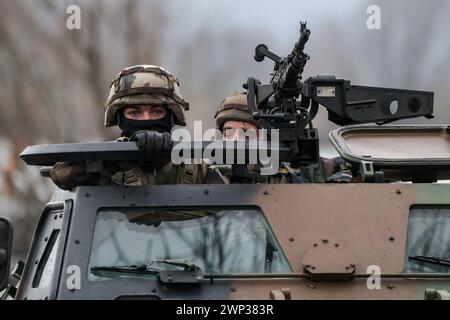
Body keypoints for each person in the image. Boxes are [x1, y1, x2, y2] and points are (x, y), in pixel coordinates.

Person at [50, 65, 222, 189]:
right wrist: (117, 161)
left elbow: (233, 205)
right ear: (120, 118)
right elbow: (61, 175)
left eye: (156, 112)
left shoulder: (196, 166)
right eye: (134, 113)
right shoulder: (106, 161)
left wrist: (167, 158)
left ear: (172, 116)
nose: (146, 120)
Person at [214, 90, 353, 184]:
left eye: (246, 133)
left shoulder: (293, 172)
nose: (235, 140)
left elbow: (350, 168)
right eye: (228, 132)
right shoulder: (210, 175)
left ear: (264, 138)